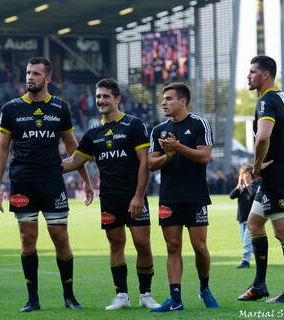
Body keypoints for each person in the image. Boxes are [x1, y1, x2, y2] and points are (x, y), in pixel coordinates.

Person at [0, 57, 94, 312]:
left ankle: (69, 296)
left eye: (36, 74)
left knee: (60, 237)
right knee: (28, 239)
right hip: (22, 182)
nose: (30, 77)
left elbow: (72, 146)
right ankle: (32, 299)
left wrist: (86, 180)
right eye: (28, 73)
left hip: (51, 180)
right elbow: (2, 149)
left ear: (47, 79)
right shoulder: (11, 108)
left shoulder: (60, 107)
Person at [62, 78, 160, 310]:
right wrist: (43, 165)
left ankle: (146, 293)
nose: (101, 101)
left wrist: (138, 196)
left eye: (106, 96)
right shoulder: (93, 133)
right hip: (109, 197)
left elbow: (144, 163)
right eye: (98, 97)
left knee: (142, 244)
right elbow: (74, 161)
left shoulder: (134, 125)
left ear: (117, 99)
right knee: (115, 244)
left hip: (133, 195)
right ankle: (121, 295)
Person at [148, 82, 218, 312]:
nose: (163, 103)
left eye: (168, 99)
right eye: (163, 99)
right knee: (173, 246)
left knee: (199, 246)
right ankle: (175, 299)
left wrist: (177, 147)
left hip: (195, 195)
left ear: (183, 101)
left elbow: (205, 156)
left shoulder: (199, 124)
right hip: (169, 196)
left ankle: (204, 288)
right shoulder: (158, 130)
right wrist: (167, 156)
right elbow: (150, 163)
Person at [238, 55, 284, 303]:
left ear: (265, 75)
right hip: (273, 176)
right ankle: (259, 285)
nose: (248, 76)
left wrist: (256, 166)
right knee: (254, 223)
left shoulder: (266, 101)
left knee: (282, 233)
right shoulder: (282, 97)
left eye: (253, 71)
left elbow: (263, 137)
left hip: (275, 174)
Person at [229, 164, 258, 268]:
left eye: (244, 174)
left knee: (247, 242)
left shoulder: (255, 185)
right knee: (250, 243)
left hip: (252, 220)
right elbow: (231, 196)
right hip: (241, 219)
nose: (242, 176)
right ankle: (261, 256)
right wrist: (238, 186)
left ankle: (245, 262)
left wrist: (247, 184)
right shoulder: (241, 188)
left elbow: (253, 194)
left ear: (250, 175)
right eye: (241, 174)